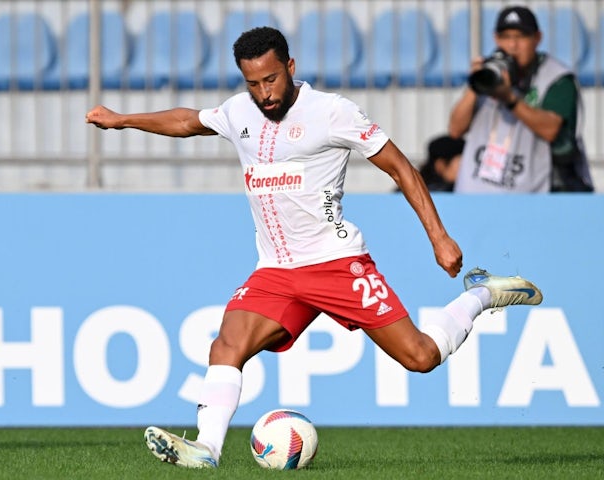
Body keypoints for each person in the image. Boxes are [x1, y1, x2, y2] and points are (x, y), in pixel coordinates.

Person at [86, 26, 543, 469]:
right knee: (226, 346)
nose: (264, 93)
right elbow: (188, 121)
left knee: (420, 357)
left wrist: (439, 237)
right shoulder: (239, 111)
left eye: (271, 79)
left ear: (290, 66)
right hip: (277, 272)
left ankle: (482, 293)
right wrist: (122, 120)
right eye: (253, 84)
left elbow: (401, 167)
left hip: (336, 264)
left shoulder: (333, 112)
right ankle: (207, 448)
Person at [448, 5, 593, 192]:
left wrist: (509, 98)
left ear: (537, 38)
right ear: (495, 39)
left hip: (528, 198)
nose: (513, 46)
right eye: (506, 37)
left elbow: (551, 129)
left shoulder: (556, 78)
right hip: (475, 194)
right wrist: (476, 84)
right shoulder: (490, 71)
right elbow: (455, 129)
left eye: (520, 37)